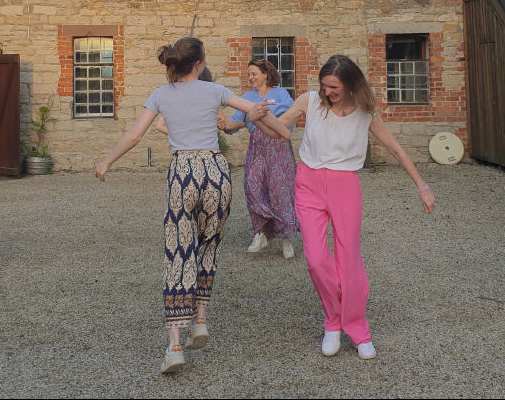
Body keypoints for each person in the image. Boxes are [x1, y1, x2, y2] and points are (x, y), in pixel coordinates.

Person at [94, 37, 283, 375]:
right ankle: (200, 321)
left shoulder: (160, 94)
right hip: (215, 172)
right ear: (200, 63)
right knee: (209, 245)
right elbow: (253, 109)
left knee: (179, 253)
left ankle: (175, 346)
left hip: (183, 173)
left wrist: (106, 161)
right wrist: (262, 113)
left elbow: (135, 136)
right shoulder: (215, 90)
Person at [252, 54, 436, 360]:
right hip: (308, 183)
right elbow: (280, 131)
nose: (328, 92)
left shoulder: (365, 111)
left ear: (350, 84)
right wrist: (258, 116)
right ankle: (333, 321)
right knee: (315, 259)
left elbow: (395, 149)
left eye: (334, 87)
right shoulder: (310, 101)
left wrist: (422, 186)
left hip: (345, 185)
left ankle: (358, 328)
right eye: (324, 85)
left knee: (349, 259)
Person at [217, 58, 299, 258]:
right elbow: (236, 123)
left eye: (253, 73)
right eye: (249, 74)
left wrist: (268, 116)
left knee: (281, 192)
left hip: (278, 146)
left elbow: (289, 116)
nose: (250, 77)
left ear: (266, 74)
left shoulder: (281, 94)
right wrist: (224, 124)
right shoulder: (246, 97)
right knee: (253, 187)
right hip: (257, 147)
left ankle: (286, 239)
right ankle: (260, 233)